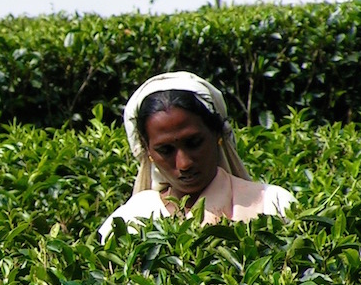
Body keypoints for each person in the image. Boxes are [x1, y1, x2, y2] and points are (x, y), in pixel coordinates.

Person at [98, 71, 293, 242]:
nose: (184, 164)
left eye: (194, 143)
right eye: (165, 150)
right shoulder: (129, 220)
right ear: (148, 151)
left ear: (217, 134)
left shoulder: (273, 204)